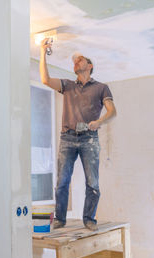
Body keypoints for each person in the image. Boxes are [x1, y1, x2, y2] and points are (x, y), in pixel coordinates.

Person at [39, 38, 116, 231]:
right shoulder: (68, 85)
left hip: (89, 139)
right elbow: (45, 80)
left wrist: (99, 122)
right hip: (67, 137)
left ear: (89, 66)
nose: (76, 62)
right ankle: (60, 219)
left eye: (80, 59)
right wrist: (42, 51)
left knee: (93, 182)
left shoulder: (101, 88)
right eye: (75, 61)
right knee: (62, 181)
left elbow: (112, 111)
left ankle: (89, 219)